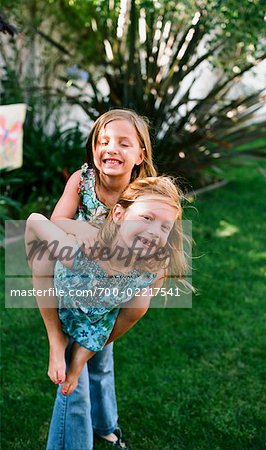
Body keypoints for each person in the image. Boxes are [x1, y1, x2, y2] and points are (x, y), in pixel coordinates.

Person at [30, 109, 157, 449]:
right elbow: (57, 220)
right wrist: (94, 233)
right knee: (76, 380)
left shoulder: (144, 194)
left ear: (140, 155)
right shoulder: (83, 180)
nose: (110, 148)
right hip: (74, 287)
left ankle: (105, 425)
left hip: (113, 293)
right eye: (103, 141)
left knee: (100, 359)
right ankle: (79, 439)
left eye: (123, 143)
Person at [26, 176, 186, 400]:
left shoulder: (152, 269)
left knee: (140, 306)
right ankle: (56, 339)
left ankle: (80, 357)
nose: (154, 231)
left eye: (164, 227)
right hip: (63, 296)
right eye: (147, 218)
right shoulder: (77, 252)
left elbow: (154, 284)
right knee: (42, 260)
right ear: (119, 215)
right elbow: (34, 220)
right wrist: (36, 267)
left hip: (97, 322)